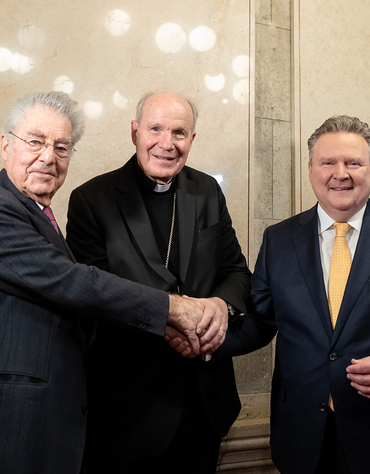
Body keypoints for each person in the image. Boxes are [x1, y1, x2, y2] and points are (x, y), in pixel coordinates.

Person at [0, 91, 212, 474]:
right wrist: (174, 308)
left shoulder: (38, 216)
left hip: (37, 430)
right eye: (35, 141)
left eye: (61, 147)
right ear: (6, 145)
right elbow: (73, 283)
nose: (48, 157)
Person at [213, 114, 370, 474]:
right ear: (311, 171)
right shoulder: (278, 239)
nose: (341, 174)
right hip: (303, 439)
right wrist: (199, 337)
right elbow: (259, 321)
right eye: (328, 163)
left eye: (353, 163)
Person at [66, 91, 252, 474]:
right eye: (155, 129)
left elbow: (236, 271)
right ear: (134, 132)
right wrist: (169, 322)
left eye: (179, 133)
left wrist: (221, 306)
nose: (167, 144)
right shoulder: (92, 200)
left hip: (204, 406)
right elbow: (91, 299)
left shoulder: (207, 191)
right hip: (128, 411)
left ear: (192, 139)